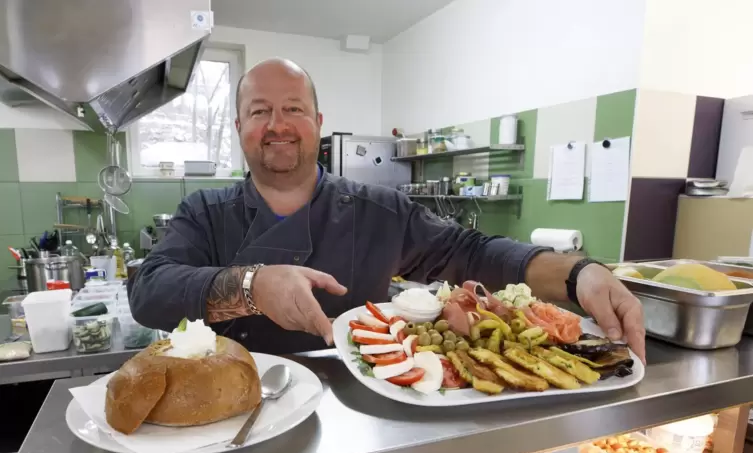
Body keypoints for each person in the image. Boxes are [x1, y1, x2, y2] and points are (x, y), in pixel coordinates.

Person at [128, 58, 646, 362]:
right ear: (239, 127)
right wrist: (249, 286)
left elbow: (471, 251)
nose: (277, 124)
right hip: (235, 412)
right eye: (259, 111)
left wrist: (579, 273)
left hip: (363, 416)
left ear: (318, 121)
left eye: (293, 109)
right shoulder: (204, 211)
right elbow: (149, 291)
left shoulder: (378, 210)